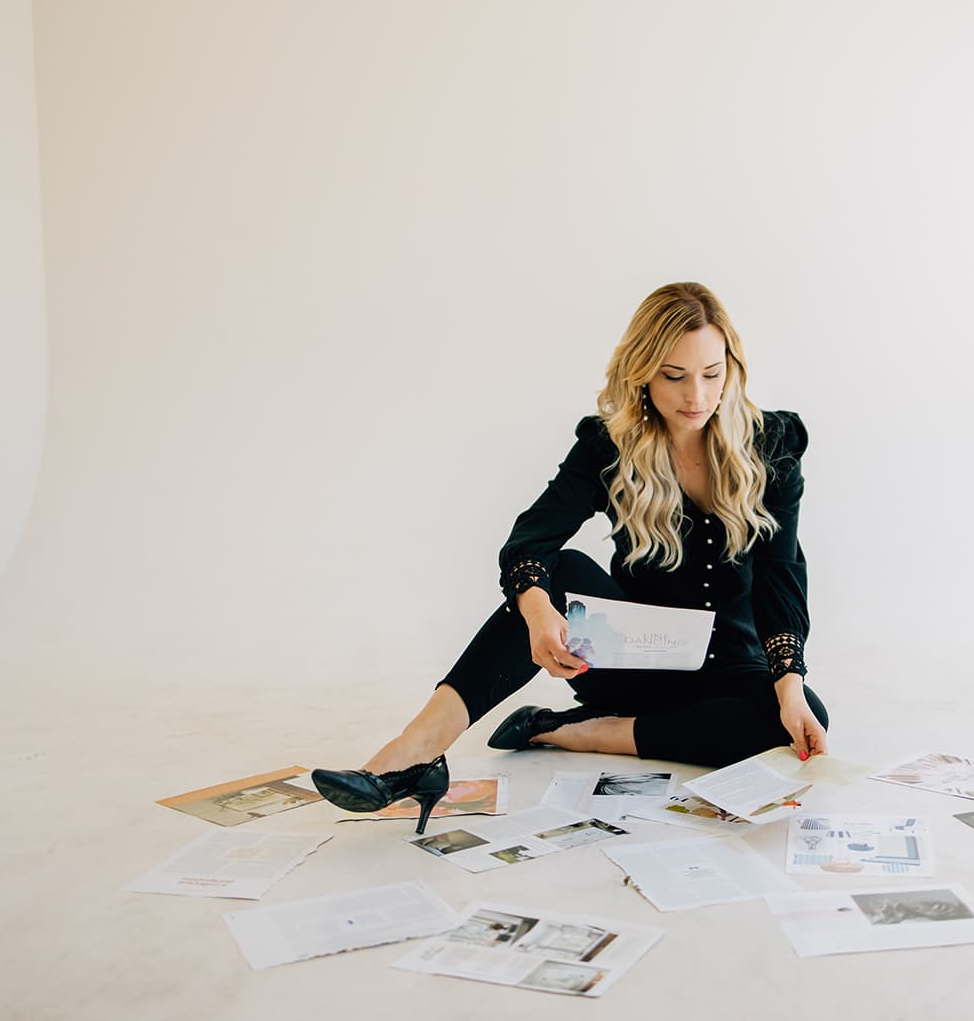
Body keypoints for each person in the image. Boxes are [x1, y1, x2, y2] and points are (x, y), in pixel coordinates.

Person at [311, 282, 829, 832]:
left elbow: (781, 575)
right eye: (674, 376)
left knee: (803, 719)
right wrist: (537, 614)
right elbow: (531, 541)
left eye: (712, 373)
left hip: (728, 667)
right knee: (558, 571)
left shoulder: (771, 445)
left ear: (733, 367)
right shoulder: (609, 444)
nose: (697, 396)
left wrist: (789, 685)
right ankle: (418, 748)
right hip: (631, 662)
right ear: (642, 373)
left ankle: (586, 731)